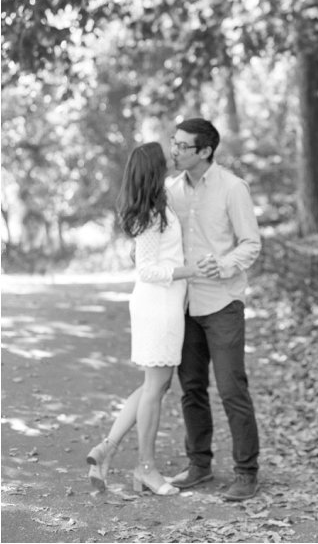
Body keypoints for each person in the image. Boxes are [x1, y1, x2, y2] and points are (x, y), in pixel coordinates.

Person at [86, 142, 203, 496]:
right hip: (159, 305)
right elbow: (147, 269)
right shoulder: (151, 214)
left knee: (157, 383)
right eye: (163, 158)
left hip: (163, 303)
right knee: (156, 387)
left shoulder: (156, 205)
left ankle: (107, 448)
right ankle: (146, 468)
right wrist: (190, 271)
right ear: (153, 169)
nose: (170, 158)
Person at [166, 117, 261, 501]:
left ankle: (246, 472)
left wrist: (221, 265)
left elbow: (250, 244)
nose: (174, 150)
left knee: (231, 387)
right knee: (191, 388)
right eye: (174, 143)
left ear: (205, 151)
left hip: (222, 302)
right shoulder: (171, 190)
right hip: (183, 305)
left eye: (182, 146)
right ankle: (199, 464)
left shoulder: (232, 189)